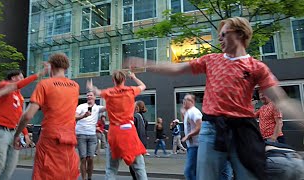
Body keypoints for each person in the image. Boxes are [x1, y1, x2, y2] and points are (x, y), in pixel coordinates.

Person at [126, 17, 304, 180]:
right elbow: (177, 68)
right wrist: (146, 64)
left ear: (240, 34)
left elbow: (281, 99)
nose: (219, 39)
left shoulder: (257, 67)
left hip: (243, 131)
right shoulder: (211, 60)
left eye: (224, 35)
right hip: (211, 130)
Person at [13, 53, 80, 180]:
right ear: (66, 68)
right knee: (66, 173)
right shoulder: (75, 86)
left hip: (50, 137)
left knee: (45, 173)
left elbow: (28, 115)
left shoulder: (45, 84)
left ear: (51, 66)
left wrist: (17, 134)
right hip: (69, 137)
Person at [0, 67, 48, 180]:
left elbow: (19, 117)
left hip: (14, 133)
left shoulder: (19, 96)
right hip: (0, 131)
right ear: (13, 77)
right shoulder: (4, 85)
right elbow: (17, 85)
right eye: (21, 77)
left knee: (9, 167)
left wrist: (24, 133)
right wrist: (38, 74)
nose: (23, 79)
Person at [87, 70, 147, 180]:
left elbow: (96, 91)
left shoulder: (109, 92)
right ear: (124, 79)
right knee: (139, 167)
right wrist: (133, 77)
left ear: (113, 80)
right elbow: (143, 86)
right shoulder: (131, 90)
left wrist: (91, 87)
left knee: (111, 169)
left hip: (115, 133)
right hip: (129, 133)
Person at [75, 91, 106, 180]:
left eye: (91, 95)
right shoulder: (81, 106)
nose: (89, 96)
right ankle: (84, 178)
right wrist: (83, 116)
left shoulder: (97, 108)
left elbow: (109, 107)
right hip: (81, 134)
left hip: (92, 135)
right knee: (83, 158)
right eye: (87, 95)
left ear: (94, 97)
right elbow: (74, 117)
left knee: (90, 158)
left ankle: (90, 177)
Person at [180, 94, 202, 180]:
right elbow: (188, 124)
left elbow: (199, 126)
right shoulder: (189, 112)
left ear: (192, 102)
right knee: (194, 171)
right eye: (183, 99)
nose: (184, 101)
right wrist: (183, 114)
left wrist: (188, 136)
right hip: (192, 146)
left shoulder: (194, 112)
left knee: (189, 172)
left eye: (186, 99)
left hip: (196, 146)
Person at [129, 103, 147, 180]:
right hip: (142, 143)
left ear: (136, 108)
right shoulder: (143, 117)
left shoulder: (135, 117)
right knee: (139, 166)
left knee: (135, 167)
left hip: (136, 144)